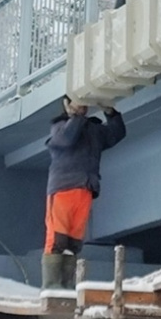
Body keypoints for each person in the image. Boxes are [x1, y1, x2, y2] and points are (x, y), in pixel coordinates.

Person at [42, 95, 126, 290]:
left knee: (74, 242)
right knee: (57, 239)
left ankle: (66, 287)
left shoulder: (92, 129)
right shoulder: (59, 127)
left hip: (85, 189)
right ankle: (52, 287)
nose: (83, 108)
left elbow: (117, 134)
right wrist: (76, 116)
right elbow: (67, 139)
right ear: (67, 104)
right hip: (63, 188)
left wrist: (110, 112)